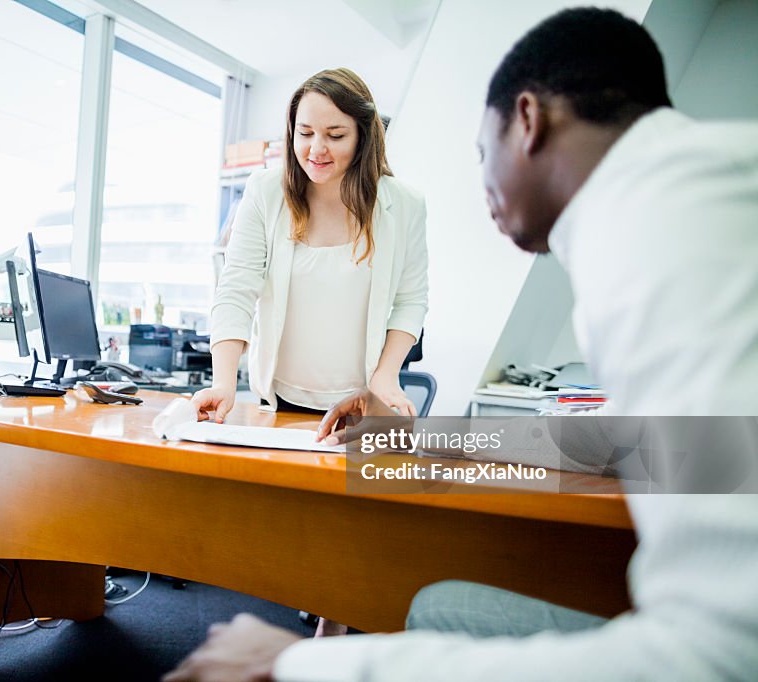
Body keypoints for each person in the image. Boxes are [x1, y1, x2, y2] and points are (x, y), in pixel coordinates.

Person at [165, 7, 758, 681]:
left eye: (483, 151)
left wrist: (301, 665)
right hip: (311, 406)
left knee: (438, 602)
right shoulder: (700, 193)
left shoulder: (665, 231)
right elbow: (686, 443)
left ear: (528, 121)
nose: (484, 188)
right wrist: (427, 443)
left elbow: (724, 654)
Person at [192, 68, 429, 424]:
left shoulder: (405, 204)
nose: (316, 149)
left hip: (362, 404)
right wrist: (223, 382)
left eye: (335, 135)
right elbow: (236, 290)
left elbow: (411, 301)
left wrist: (386, 376)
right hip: (279, 400)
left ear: (363, 138)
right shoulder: (265, 192)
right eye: (305, 133)